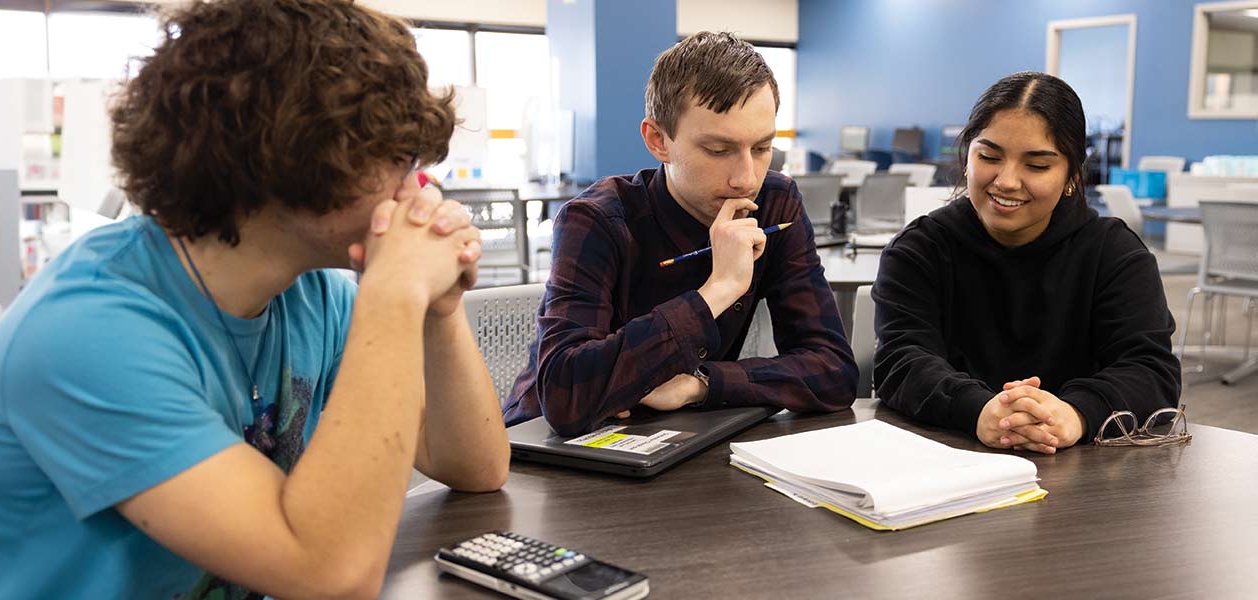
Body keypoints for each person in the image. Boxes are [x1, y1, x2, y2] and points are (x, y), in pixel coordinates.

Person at [0, 1, 510, 598]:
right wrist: (396, 291)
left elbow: (476, 467)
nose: (418, 190)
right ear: (296, 158)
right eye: (400, 161)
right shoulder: (88, 332)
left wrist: (438, 308)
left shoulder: (313, 296)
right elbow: (330, 573)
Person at [503, 32, 857, 436]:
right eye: (719, 150)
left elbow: (834, 370)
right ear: (659, 140)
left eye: (762, 148)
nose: (746, 178)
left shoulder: (776, 202)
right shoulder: (595, 219)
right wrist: (719, 289)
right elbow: (565, 395)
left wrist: (701, 383)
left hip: (676, 436)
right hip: (539, 445)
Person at [873, 71, 1180, 453]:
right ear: (967, 156)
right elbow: (901, 361)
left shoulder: (1114, 253)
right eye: (989, 156)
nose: (1007, 181)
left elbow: (1151, 370)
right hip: (949, 460)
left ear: (1071, 174)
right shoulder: (920, 249)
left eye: (1036, 165)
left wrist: (1074, 413)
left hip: (1087, 476)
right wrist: (978, 410)